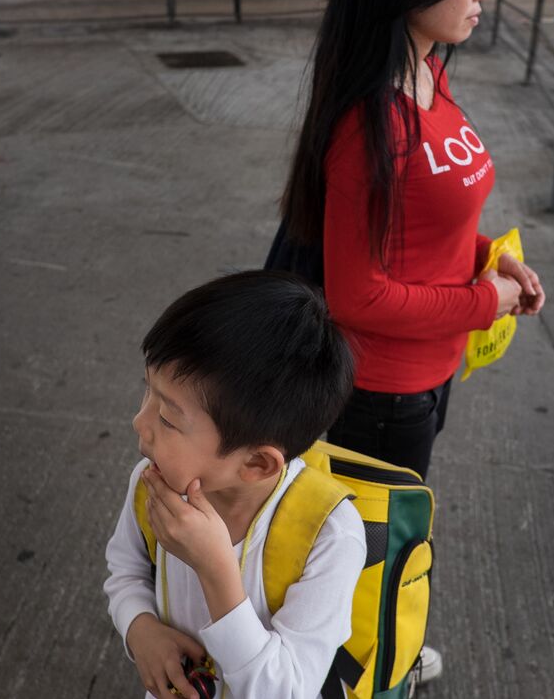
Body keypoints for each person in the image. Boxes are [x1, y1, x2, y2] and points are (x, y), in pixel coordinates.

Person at [276, 0, 545, 682]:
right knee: (373, 543)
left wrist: (489, 259)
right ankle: (365, 663)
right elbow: (359, 294)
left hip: (431, 375)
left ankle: (387, 633)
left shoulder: (430, 70)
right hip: (385, 393)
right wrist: (481, 298)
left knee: (390, 528)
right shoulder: (370, 117)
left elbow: (430, 220)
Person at [103, 271, 366, 699]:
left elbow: (288, 690)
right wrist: (139, 627)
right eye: (147, 391)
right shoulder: (152, 485)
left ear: (257, 463)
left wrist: (215, 568)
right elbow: (126, 570)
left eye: (168, 418)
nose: (140, 422)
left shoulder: (330, 535)